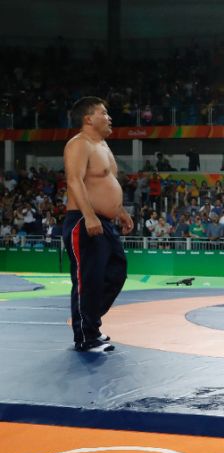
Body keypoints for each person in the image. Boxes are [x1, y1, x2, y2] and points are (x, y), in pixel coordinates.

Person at [62, 97, 133, 353]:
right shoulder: (79, 144)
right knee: (88, 280)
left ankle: (88, 321)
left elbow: (106, 184)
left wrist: (120, 211)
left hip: (104, 221)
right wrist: (89, 215)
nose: (109, 117)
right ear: (88, 118)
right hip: (84, 220)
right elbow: (74, 181)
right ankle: (86, 335)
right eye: (103, 113)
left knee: (116, 271)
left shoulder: (102, 145)